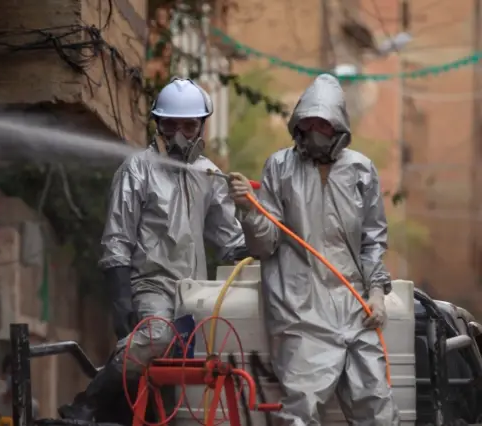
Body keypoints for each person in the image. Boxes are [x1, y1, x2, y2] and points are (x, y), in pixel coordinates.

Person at [58, 77, 248, 421]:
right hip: (151, 285)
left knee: (193, 370)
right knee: (156, 337)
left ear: (200, 127)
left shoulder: (209, 175)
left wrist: (256, 221)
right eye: (170, 125)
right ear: (157, 125)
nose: (179, 134)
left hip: (194, 294)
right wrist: (121, 299)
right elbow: (117, 238)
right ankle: (86, 405)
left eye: (188, 126)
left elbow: (230, 242)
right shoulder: (137, 169)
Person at [228, 74, 399, 425]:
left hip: (355, 307)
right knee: (300, 412)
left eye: (322, 123)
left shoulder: (361, 170)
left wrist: (377, 293)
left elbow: (372, 240)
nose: (314, 130)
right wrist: (248, 207)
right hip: (300, 308)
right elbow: (265, 244)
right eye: (307, 122)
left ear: (338, 125)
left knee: (377, 407)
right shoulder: (280, 167)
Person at [0, 354, 39, 426]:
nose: (16, 378)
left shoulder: (32, 407)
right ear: (3, 375)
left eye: (20, 373)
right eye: (11, 373)